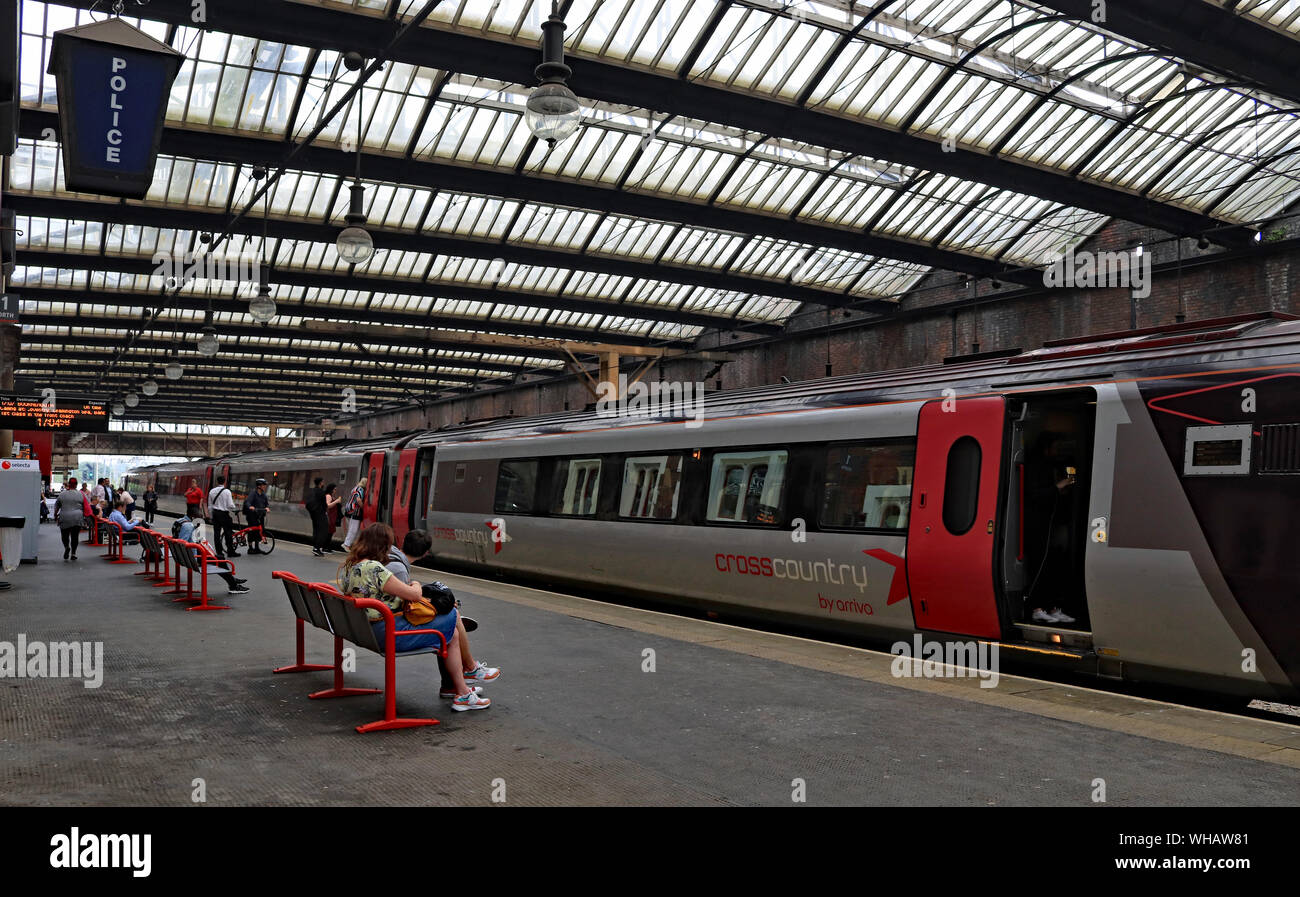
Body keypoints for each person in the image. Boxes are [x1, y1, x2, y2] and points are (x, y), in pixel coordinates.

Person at [338, 523, 489, 711]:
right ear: (383, 546)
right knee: (452, 616)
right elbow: (414, 595)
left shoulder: (348, 566)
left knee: (451, 633)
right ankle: (465, 683)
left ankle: (461, 689)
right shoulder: (374, 568)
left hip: (361, 629)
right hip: (385, 634)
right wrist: (416, 584)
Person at [385, 529, 498, 696]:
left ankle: (459, 679)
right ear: (424, 553)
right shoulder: (399, 569)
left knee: (448, 622)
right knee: (449, 624)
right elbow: (406, 606)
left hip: (375, 627)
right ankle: (469, 669)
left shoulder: (391, 559)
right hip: (390, 631)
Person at [1025, 431, 1078, 626]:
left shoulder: (1053, 466)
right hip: (1038, 526)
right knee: (1040, 566)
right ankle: (1037, 608)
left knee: (1054, 566)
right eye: (1055, 447)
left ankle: (1052, 607)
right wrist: (1058, 487)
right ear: (1046, 448)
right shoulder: (1035, 467)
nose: (1058, 451)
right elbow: (1034, 494)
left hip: (1052, 523)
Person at [175, 514, 250, 595]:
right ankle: (233, 585)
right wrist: (195, 557)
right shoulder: (188, 526)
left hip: (187, 557)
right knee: (220, 560)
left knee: (219, 558)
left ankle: (232, 581)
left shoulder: (179, 521)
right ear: (193, 517)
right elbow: (183, 543)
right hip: (193, 559)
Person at [55, 477, 88, 561]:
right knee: (75, 536)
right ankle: (73, 553)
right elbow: (87, 506)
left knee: (64, 535)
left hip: (65, 516)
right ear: (76, 485)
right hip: (77, 517)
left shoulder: (62, 494)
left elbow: (57, 506)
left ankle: (67, 547)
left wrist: (55, 515)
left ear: (69, 484)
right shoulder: (82, 494)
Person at [207, 476, 240, 560]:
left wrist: (211, 516)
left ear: (217, 481)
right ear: (224, 482)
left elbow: (210, 506)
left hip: (215, 514)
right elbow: (230, 505)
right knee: (228, 533)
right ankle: (230, 551)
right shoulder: (227, 492)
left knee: (216, 534)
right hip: (224, 514)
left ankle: (219, 553)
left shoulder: (212, 491)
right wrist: (234, 508)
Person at [243, 478, 270, 554]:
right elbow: (248, 502)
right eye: (264, 485)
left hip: (260, 515)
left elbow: (266, 503)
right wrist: (250, 507)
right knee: (252, 531)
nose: (265, 486)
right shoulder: (253, 493)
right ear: (259, 486)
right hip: (252, 516)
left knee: (259, 531)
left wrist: (267, 507)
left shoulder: (264, 495)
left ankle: (257, 548)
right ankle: (250, 548)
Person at [304, 477, 329, 557]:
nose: (323, 483)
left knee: (316, 530)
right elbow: (324, 505)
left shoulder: (312, 490)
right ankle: (317, 548)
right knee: (323, 530)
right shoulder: (321, 492)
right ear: (321, 483)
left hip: (313, 513)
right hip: (320, 513)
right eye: (323, 482)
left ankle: (315, 547)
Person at [341, 477, 367, 551]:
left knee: (354, 528)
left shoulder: (355, 488)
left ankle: (351, 544)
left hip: (352, 510)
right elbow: (358, 500)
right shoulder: (360, 489)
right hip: (356, 511)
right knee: (354, 529)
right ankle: (347, 544)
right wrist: (363, 507)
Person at [323, 483, 342, 552]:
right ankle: (325, 547)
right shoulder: (328, 496)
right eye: (334, 489)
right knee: (329, 532)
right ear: (331, 489)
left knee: (330, 532)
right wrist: (336, 501)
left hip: (332, 516)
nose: (335, 491)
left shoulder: (331, 496)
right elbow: (328, 505)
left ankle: (327, 547)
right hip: (329, 516)